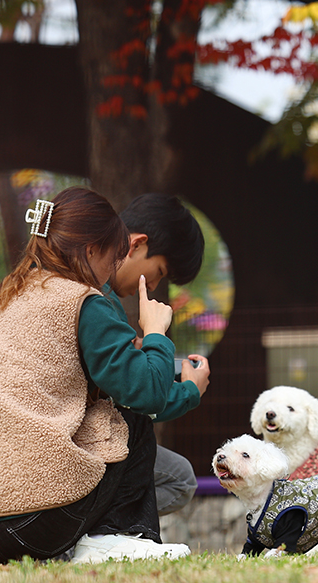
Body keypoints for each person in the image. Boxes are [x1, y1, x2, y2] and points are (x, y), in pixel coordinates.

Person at [0, 187, 203, 564]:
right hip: (33, 518)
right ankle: (115, 536)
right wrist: (156, 335)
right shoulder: (85, 302)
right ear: (90, 251)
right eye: (111, 256)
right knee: (125, 417)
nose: (111, 271)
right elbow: (143, 392)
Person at [110, 193, 211, 517]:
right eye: (159, 271)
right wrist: (189, 390)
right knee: (180, 479)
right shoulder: (96, 301)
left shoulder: (101, 298)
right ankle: (104, 530)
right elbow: (141, 397)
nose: (153, 285)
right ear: (136, 244)